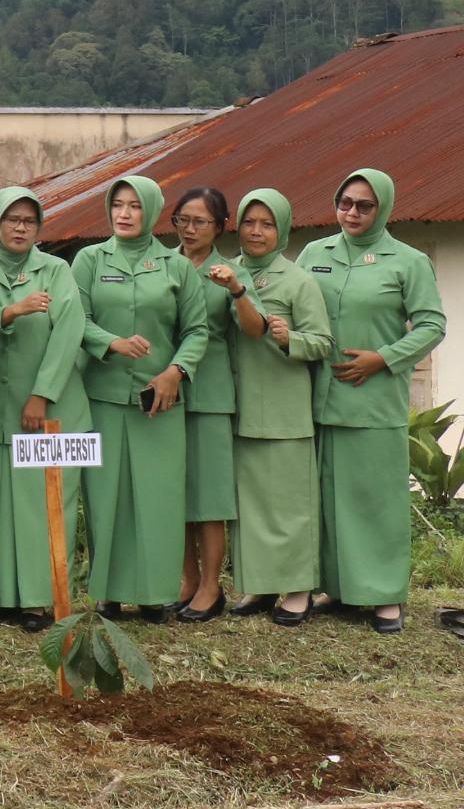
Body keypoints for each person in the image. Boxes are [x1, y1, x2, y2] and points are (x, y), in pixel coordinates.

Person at [298, 168, 447, 633]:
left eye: (364, 205)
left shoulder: (407, 261)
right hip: (318, 398)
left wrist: (383, 358)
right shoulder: (313, 252)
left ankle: (384, 596)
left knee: (376, 500)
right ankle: (337, 588)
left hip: (373, 399)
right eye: (345, 202)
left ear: (383, 207)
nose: (352, 213)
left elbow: (431, 325)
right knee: (327, 498)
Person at [69, 176, 209, 619]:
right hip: (104, 398)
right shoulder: (89, 260)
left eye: (134, 206)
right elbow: (76, 318)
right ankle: (107, 593)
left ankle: (156, 595)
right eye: (118, 205)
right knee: (105, 497)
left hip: (159, 402)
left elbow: (196, 331)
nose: (124, 213)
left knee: (158, 499)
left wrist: (175, 372)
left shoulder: (175, 266)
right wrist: (110, 342)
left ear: (150, 211)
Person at [220, 190, 329, 625]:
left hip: (285, 408)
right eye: (249, 222)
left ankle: (299, 590)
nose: (257, 231)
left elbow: (322, 341)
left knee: (290, 505)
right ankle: (260, 587)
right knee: (251, 508)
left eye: (267, 224)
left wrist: (291, 339)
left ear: (282, 229)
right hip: (239, 403)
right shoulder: (226, 272)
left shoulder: (298, 280)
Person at [0, 188, 88, 629]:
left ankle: (40, 601)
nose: (21, 228)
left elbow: (70, 331)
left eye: (29, 221)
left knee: (47, 503)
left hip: (51, 412)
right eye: (12, 219)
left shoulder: (56, 270)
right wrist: (9, 312)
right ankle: (3, 597)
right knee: (0, 502)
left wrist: (41, 394)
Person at [169, 187, 240, 621]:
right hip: (166, 391)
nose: (190, 229)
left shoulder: (227, 274)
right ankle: (186, 579)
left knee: (210, 496)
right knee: (175, 492)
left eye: (200, 222)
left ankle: (212, 587)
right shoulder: (161, 265)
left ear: (219, 226)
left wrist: (238, 291)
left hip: (210, 393)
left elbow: (250, 329)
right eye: (183, 219)